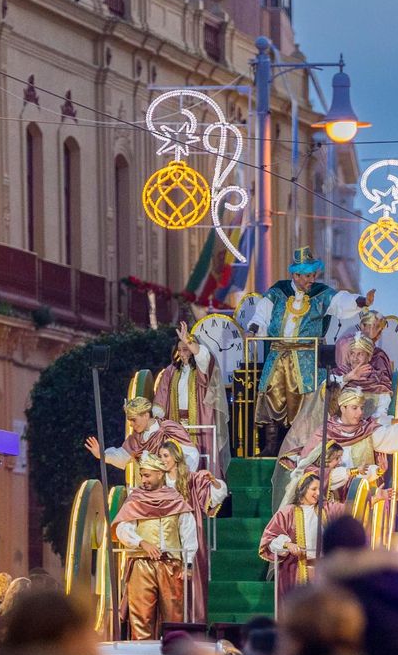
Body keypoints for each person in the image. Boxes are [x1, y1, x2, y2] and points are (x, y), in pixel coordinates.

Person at [247, 246, 367, 453]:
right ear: (295, 275)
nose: (312, 279)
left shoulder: (321, 295)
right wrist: (253, 329)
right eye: (307, 276)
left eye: (313, 275)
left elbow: (341, 301)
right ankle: (271, 446)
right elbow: (261, 315)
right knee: (271, 394)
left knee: (307, 398)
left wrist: (361, 301)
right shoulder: (277, 292)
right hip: (277, 354)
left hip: (307, 357)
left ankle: (301, 445)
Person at [111, 451, 198, 640]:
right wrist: (141, 542)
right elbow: (122, 529)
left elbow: (189, 534)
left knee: (174, 617)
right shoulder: (135, 500)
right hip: (142, 563)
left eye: (147, 475)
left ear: (160, 474)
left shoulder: (175, 500)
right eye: (142, 475)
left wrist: (188, 564)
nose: (143, 480)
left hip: (171, 564)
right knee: (141, 617)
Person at [158, 438, 228, 624]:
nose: (163, 460)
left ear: (175, 456)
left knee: (192, 578)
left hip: (189, 533)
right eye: (160, 456)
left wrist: (213, 481)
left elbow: (216, 496)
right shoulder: (159, 479)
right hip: (165, 533)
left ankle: (193, 623)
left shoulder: (191, 478)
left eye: (166, 455)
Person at [151, 319, 231, 476]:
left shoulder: (201, 370)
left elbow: (203, 356)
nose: (182, 353)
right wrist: (156, 416)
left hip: (200, 422)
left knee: (202, 460)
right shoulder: (171, 371)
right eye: (179, 350)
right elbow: (161, 396)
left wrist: (188, 340)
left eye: (186, 349)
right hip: (177, 425)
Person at [260, 471, 342, 604]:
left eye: (320, 489)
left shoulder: (326, 509)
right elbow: (270, 539)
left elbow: (349, 509)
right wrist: (288, 545)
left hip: (322, 571)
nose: (318, 493)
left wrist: (373, 499)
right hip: (295, 571)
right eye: (314, 489)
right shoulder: (288, 512)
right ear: (303, 489)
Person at [84, 396, 199, 478]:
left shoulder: (169, 429)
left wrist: (177, 478)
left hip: (174, 486)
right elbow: (121, 455)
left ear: (146, 415)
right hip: (150, 488)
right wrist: (102, 455)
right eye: (130, 421)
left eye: (134, 420)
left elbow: (192, 454)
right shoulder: (136, 439)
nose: (131, 424)